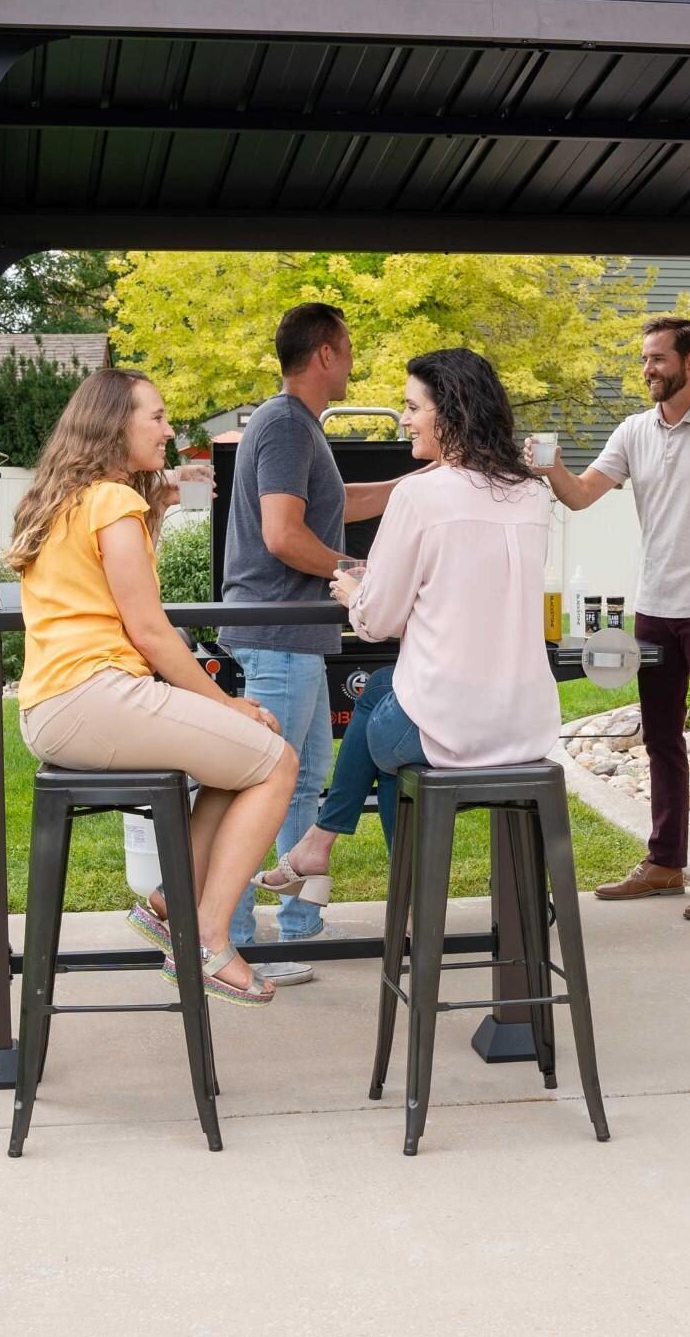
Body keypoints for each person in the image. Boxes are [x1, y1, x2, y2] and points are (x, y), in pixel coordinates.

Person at [7, 367, 299, 1006]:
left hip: (57, 705)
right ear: (116, 424)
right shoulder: (112, 502)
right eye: (158, 417)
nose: (169, 431)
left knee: (237, 763)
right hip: (95, 695)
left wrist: (158, 506)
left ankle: (171, 901)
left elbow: (115, 594)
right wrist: (226, 703)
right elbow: (150, 631)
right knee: (277, 761)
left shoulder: (69, 497)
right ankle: (210, 941)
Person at [253, 347, 559, 896]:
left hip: (453, 728)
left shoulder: (419, 494)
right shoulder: (535, 494)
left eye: (413, 407)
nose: (404, 419)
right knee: (385, 696)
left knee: (384, 721)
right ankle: (353, 868)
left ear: (452, 413)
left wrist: (353, 592)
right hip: (528, 723)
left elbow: (376, 622)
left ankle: (353, 864)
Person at [527, 315, 690, 920]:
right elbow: (582, 494)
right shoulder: (634, 431)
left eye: (657, 358)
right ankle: (664, 863)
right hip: (654, 606)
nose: (647, 369)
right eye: (644, 359)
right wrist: (551, 468)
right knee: (660, 739)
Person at [219, 303, 412, 982]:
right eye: (348, 348)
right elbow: (282, 535)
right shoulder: (284, 425)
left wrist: (411, 487)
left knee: (301, 786)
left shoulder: (299, 427)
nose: (353, 361)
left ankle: (297, 930)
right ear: (325, 353)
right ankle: (235, 939)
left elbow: (338, 502)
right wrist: (355, 572)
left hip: (294, 637)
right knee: (264, 787)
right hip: (275, 633)